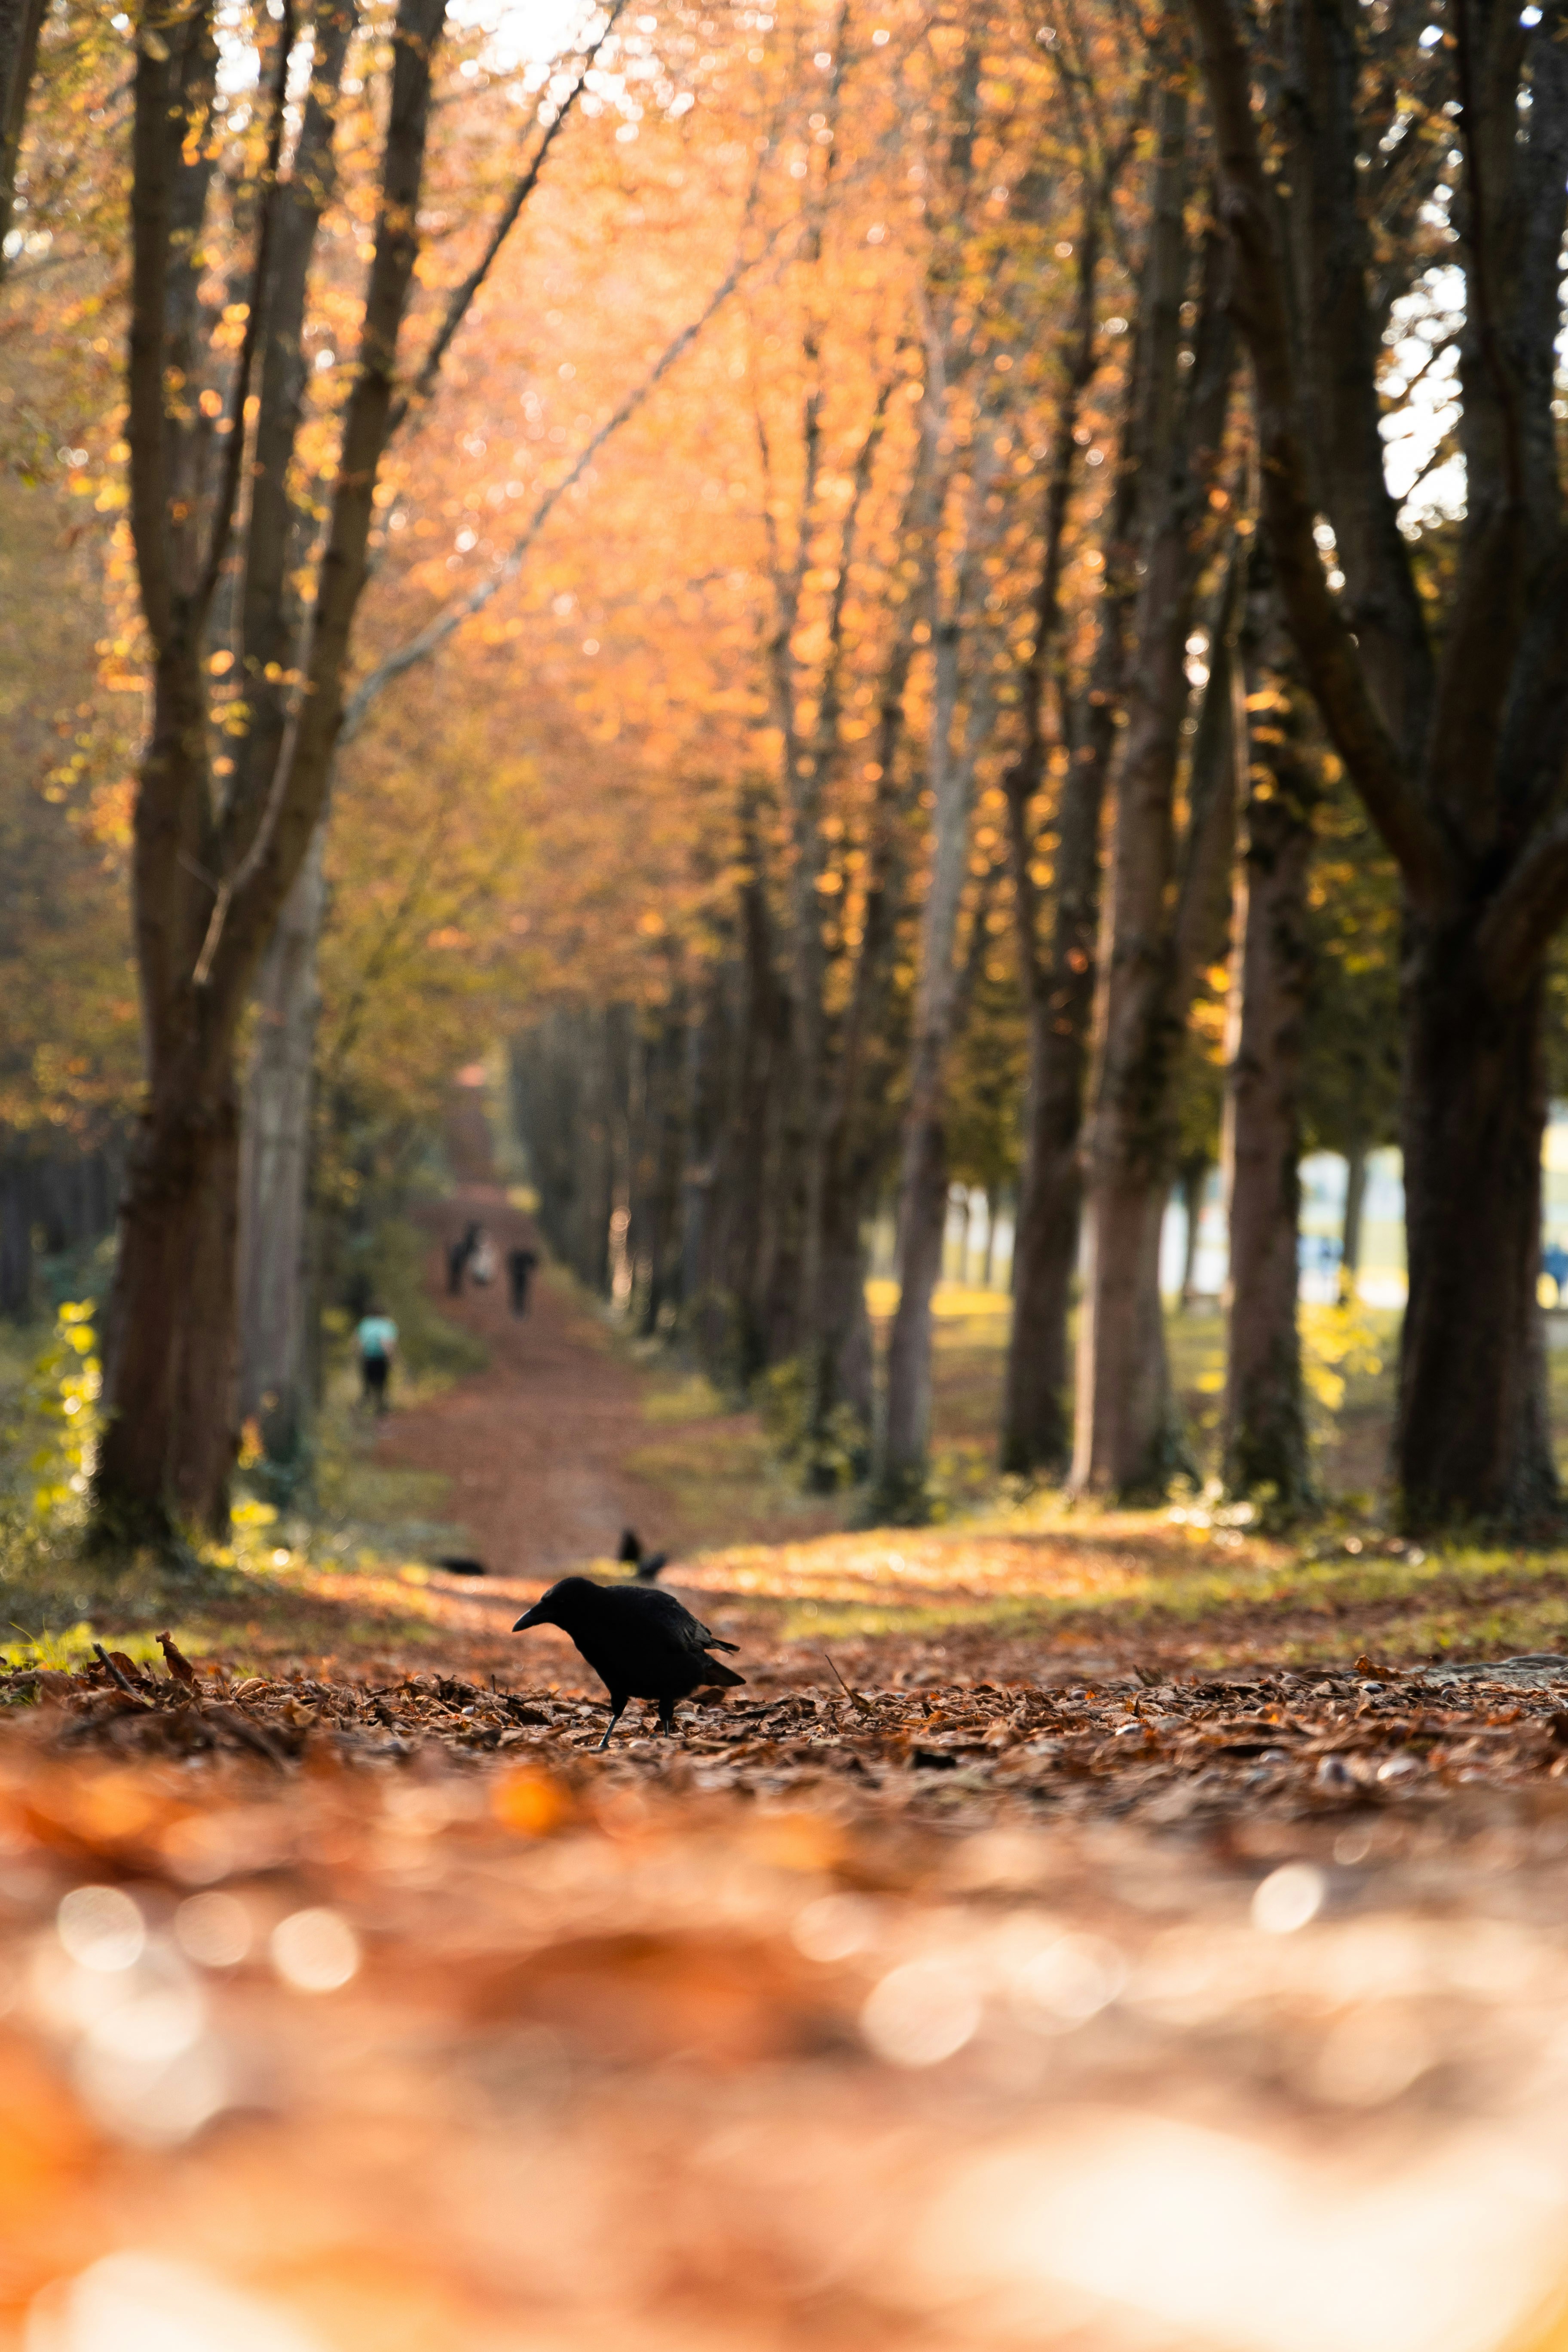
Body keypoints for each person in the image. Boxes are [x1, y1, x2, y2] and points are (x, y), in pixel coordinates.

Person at [355, 1304, 398, 1413]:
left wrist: (358, 1357)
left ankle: (365, 1409)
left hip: (367, 1358)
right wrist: (392, 1359)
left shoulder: (365, 1324)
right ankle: (380, 1408)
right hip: (381, 1359)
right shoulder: (387, 1324)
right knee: (381, 1385)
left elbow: (357, 1342)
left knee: (367, 1386)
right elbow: (387, 1344)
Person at [507, 1245, 539, 1317]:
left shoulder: (524, 1255)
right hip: (518, 1276)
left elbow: (533, 1263)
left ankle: (521, 1309)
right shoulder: (519, 1255)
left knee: (521, 1293)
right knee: (518, 1292)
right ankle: (518, 1309)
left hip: (523, 1276)